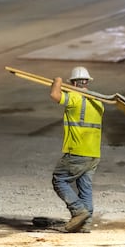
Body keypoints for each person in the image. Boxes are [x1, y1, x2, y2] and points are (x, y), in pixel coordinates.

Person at [49, 66, 104, 233]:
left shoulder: (75, 98)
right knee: (85, 188)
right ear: (87, 82)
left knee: (59, 179)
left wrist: (57, 81)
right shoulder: (98, 101)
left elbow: (55, 95)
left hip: (77, 152)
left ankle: (78, 210)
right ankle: (85, 224)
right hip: (93, 153)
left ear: (73, 82)